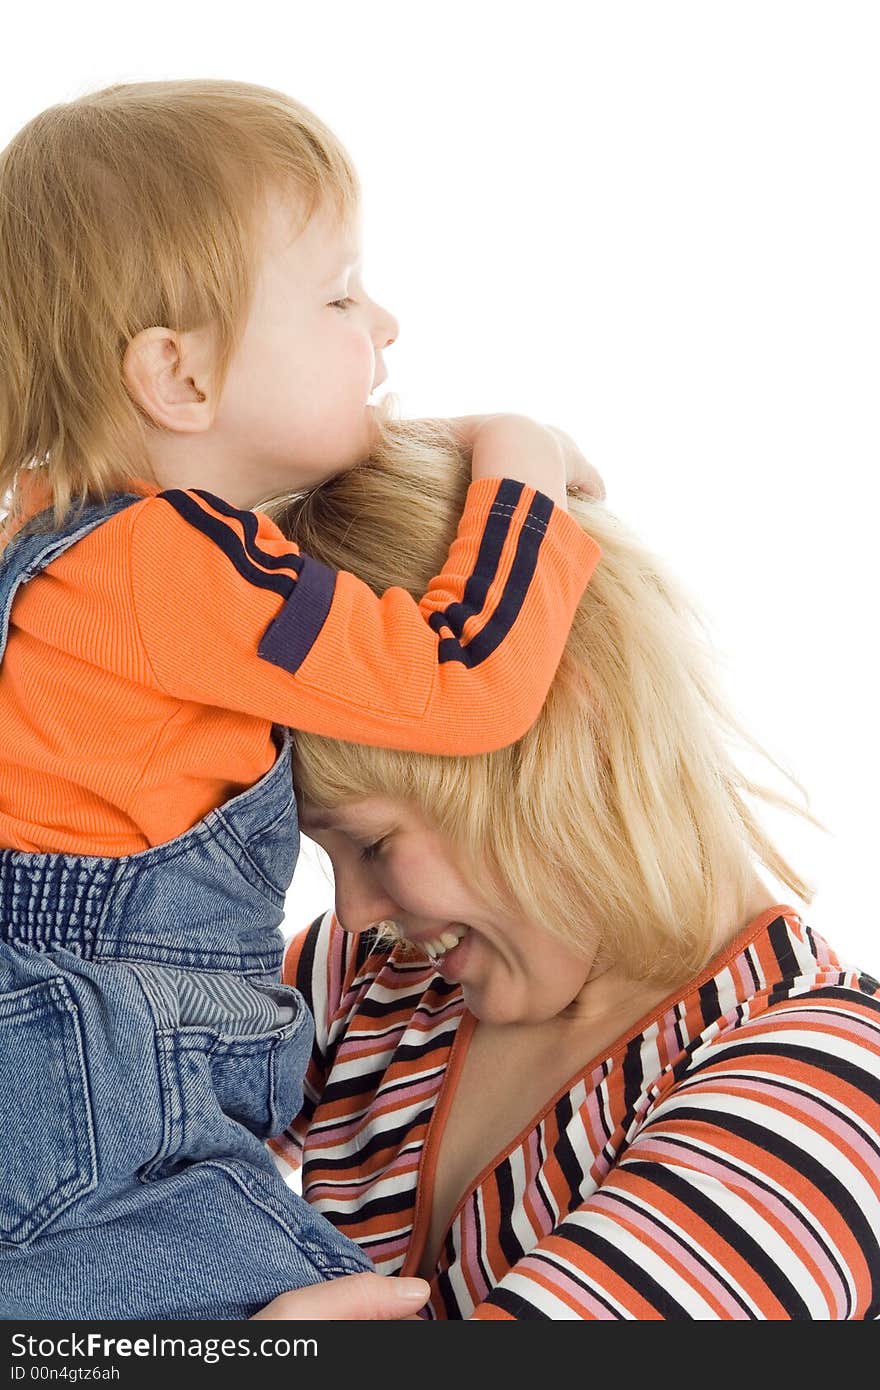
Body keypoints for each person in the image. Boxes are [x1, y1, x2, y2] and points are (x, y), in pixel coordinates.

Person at [0, 78, 603, 1319]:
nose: (383, 324)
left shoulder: (60, 547)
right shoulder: (164, 561)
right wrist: (518, 455)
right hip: (98, 1098)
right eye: (338, 295)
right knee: (361, 1323)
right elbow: (459, 673)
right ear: (176, 376)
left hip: (65, 1074)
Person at [259, 418, 880, 1320]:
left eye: (376, 843)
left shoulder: (825, 1097)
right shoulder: (380, 981)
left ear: (560, 730)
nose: (351, 909)